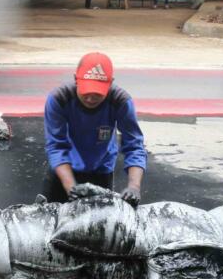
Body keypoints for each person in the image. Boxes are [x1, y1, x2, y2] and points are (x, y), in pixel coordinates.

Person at [43, 52, 146, 206]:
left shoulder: (121, 101)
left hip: (101, 169)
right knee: (52, 221)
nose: (91, 99)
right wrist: (71, 188)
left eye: (97, 94)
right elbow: (56, 146)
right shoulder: (59, 99)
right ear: (75, 79)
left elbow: (134, 146)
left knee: (98, 225)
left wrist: (134, 187)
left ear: (110, 83)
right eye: (86, 93)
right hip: (64, 169)